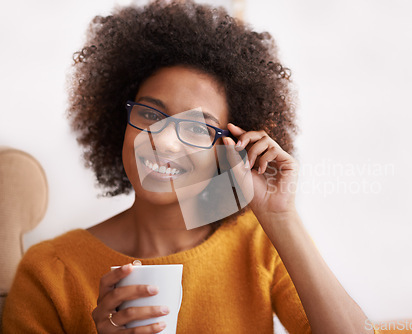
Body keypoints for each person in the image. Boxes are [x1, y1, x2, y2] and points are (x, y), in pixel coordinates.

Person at [2, 1, 375, 333]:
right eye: (150, 114)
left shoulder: (258, 241)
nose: (164, 141)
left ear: (228, 149)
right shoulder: (50, 270)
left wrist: (280, 217)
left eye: (197, 127)